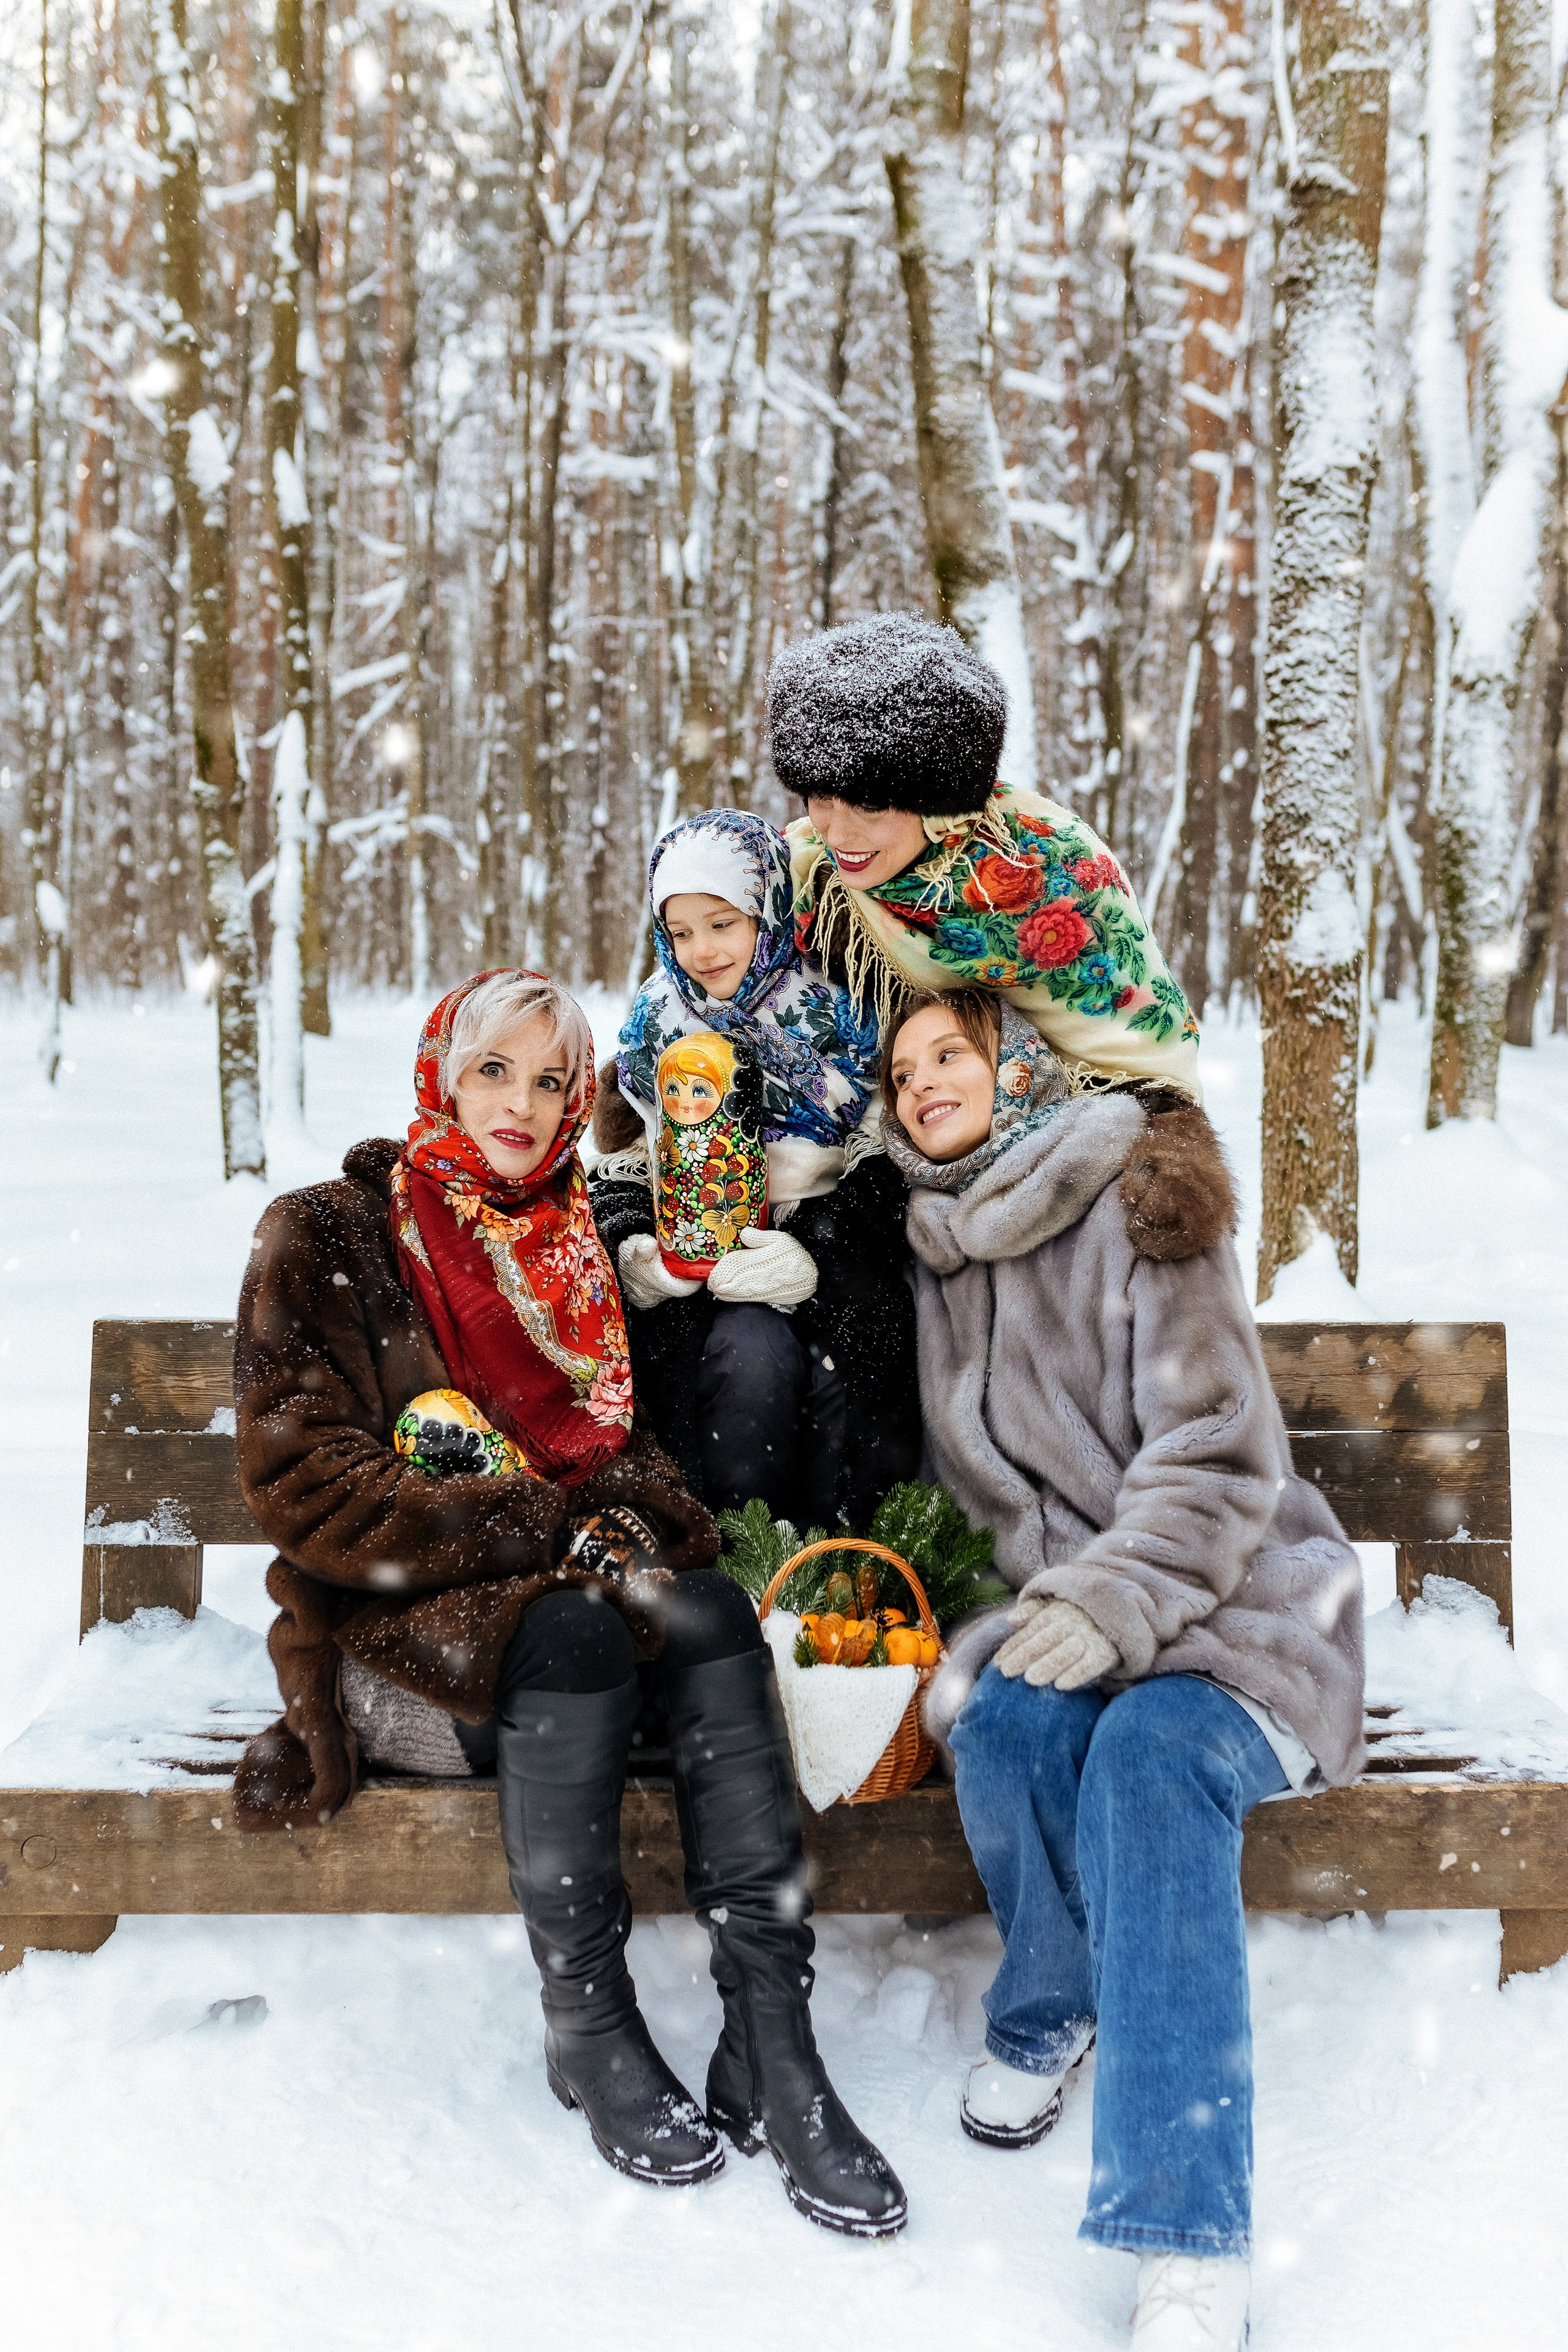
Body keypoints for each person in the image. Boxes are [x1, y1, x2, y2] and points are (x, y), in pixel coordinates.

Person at [231, 967, 905, 2237]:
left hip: (564, 1621)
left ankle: (775, 2038)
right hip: (398, 1641)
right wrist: (541, 1525)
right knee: (579, 1629)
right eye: (495, 1069)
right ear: (441, 1068)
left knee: (705, 1613)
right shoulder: (325, 1234)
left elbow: (626, 1463)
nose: (524, 1105)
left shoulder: (564, 1241)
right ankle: (587, 2025)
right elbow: (301, 1479)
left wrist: (627, 1522)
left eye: (552, 1081)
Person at [880, 988, 1366, 2350]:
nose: (925, 1084)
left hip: (1241, 1599)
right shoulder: (924, 1250)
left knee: (1149, 1761)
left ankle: (1184, 2238)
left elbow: (1218, 1451)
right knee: (1001, 1721)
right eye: (902, 1067)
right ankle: (1050, 2009)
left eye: (951, 1054)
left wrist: (1121, 1594)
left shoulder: (1134, 1197)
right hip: (1062, 1618)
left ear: (1013, 1059)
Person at [593, 805, 922, 1531]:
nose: (701, 952)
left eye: (723, 923)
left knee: (843, 1363)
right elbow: (618, 1162)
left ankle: (837, 1558)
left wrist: (817, 1253)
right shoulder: (656, 1020)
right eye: (679, 932)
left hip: (830, 1252)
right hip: (693, 1265)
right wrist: (632, 1250)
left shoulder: (841, 1005)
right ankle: (740, 1557)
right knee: (746, 1355)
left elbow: (884, 1155)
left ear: (769, 909)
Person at [770, 609, 1202, 1101]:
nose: (838, 833)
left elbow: (1147, 1072)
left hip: (1084, 1127)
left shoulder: (1054, 869)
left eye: (870, 806)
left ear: (938, 804)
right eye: (821, 799)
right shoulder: (806, 869)